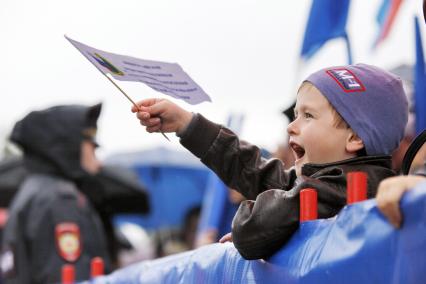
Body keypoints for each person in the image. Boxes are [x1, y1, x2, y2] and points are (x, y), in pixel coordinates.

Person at [132, 63, 408, 260]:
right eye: (296, 114)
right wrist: (186, 123)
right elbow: (255, 172)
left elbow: (255, 229)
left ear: (355, 137)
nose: (292, 127)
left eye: (308, 116)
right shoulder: (328, 182)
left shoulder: (349, 188)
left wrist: (257, 229)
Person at [1, 104, 112, 283]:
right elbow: (70, 277)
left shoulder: (33, 191)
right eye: (92, 146)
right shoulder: (61, 199)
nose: (99, 163)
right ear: (69, 146)